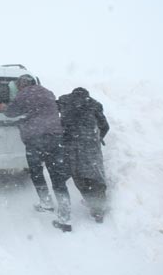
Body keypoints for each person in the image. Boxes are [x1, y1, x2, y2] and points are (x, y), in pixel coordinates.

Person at [0, 74, 72, 232]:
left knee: (36, 172)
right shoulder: (48, 92)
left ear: (22, 85)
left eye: (18, 86)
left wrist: (4, 108)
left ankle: (46, 203)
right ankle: (65, 216)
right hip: (55, 138)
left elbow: (11, 113)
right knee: (57, 176)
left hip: (36, 139)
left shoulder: (24, 94)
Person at [57, 87, 109, 223]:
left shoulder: (63, 101)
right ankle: (99, 208)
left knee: (78, 175)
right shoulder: (94, 104)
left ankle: (90, 200)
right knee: (95, 175)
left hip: (70, 145)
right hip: (90, 145)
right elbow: (105, 126)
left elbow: (50, 112)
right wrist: (99, 137)